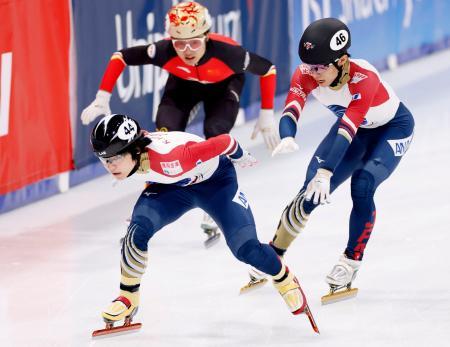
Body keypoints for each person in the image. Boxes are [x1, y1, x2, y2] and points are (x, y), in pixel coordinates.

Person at [90, 114, 319, 335]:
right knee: (136, 232)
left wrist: (240, 155)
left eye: (115, 158)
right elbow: (151, 172)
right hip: (172, 188)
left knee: (246, 249)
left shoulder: (174, 157)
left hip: (215, 184)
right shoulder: (132, 156)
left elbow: (224, 141)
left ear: (136, 149)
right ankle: (128, 298)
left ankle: (284, 279)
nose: (110, 166)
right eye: (104, 159)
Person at [81, 1, 279, 244]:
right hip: (183, 85)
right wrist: (103, 96)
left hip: (224, 86)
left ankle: (215, 199)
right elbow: (121, 56)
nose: (187, 50)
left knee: (215, 134)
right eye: (179, 43)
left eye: (195, 42)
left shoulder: (229, 54)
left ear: (207, 37)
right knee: (162, 134)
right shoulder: (164, 51)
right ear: (170, 41)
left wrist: (267, 112)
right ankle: (149, 197)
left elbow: (268, 69)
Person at [245, 18, 415, 302]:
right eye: (309, 67)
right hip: (354, 132)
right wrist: (287, 135)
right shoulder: (307, 72)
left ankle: (350, 262)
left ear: (342, 60)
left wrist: (326, 171)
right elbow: (291, 108)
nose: (313, 74)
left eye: (321, 67)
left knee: (362, 185)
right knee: (307, 194)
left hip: (390, 129)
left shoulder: (365, 78)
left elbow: (349, 127)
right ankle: (274, 253)